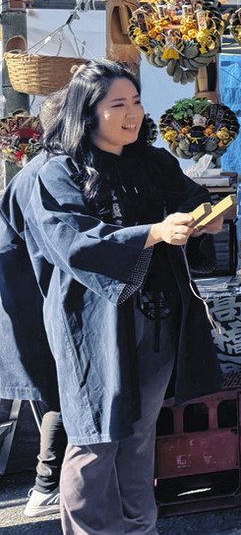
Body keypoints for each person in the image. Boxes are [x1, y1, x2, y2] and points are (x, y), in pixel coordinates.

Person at [23, 61, 224, 535]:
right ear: (88, 113)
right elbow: (73, 241)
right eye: (118, 105)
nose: (132, 114)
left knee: (138, 435)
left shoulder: (154, 161)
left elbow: (191, 198)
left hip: (156, 315)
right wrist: (154, 232)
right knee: (95, 434)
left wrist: (206, 219)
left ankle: (139, 527)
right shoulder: (57, 171)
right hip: (89, 321)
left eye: (136, 102)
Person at [0, 91, 66, 518]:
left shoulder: (33, 170)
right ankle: (46, 484)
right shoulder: (48, 174)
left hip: (24, 301)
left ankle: (47, 482)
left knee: (52, 392)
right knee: (60, 391)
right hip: (34, 303)